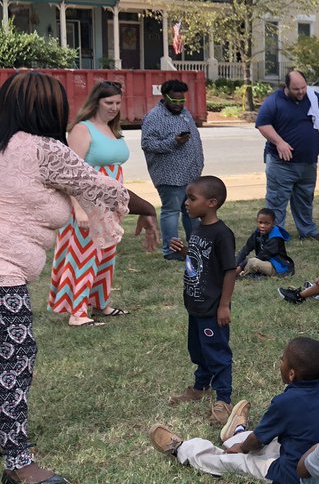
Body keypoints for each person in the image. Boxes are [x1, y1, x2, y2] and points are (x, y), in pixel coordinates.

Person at [0, 71, 145, 484]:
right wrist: (151, 212)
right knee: (14, 360)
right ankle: (18, 460)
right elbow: (100, 186)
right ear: (49, 109)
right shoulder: (46, 149)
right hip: (4, 277)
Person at [149, 337, 319, 484]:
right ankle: (237, 431)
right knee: (262, 441)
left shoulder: (286, 402)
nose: (280, 362)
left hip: (291, 474)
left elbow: (257, 440)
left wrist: (241, 449)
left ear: (291, 373)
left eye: (282, 360)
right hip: (317, 462)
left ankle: (181, 449)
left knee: (232, 461)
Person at [47, 81, 131, 327]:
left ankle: (101, 303)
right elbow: (70, 173)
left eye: (117, 102)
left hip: (109, 204)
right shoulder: (82, 130)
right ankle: (78, 312)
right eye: (109, 102)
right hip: (87, 201)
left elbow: (115, 169)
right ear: (96, 102)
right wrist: (79, 207)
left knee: (106, 253)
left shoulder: (112, 129)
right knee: (84, 255)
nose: (114, 107)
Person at [167, 176, 237, 427]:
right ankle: (200, 387)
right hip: (195, 305)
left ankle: (224, 399)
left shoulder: (222, 234)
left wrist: (224, 304)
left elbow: (230, 270)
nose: (186, 203)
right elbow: (198, 263)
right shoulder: (198, 229)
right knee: (198, 350)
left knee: (217, 352)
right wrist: (186, 252)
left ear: (212, 202)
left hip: (211, 307)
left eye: (192, 198)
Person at [255, 69, 319, 242]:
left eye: (303, 87)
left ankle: (308, 231)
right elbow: (262, 124)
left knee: (305, 199)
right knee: (277, 201)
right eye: (296, 89)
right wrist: (279, 142)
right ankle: (275, 234)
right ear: (286, 86)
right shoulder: (274, 101)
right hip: (281, 164)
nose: (301, 92)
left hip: (308, 163)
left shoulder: (313, 97)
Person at [140, 77, 204, 260]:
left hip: (191, 174)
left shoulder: (185, 113)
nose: (178, 104)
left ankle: (195, 247)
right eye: (174, 101)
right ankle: (171, 251)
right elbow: (147, 144)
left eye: (182, 100)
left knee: (192, 211)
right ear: (165, 97)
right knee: (171, 211)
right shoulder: (154, 117)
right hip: (170, 176)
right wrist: (173, 142)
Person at [235, 207, 295, 279]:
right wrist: (235, 265)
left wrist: (240, 267)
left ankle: (242, 274)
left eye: (267, 223)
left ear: (273, 223)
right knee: (235, 257)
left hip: (276, 267)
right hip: (263, 262)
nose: (262, 226)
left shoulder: (275, 237)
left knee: (252, 262)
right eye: (260, 222)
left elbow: (262, 256)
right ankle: (237, 272)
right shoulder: (258, 232)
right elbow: (246, 249)